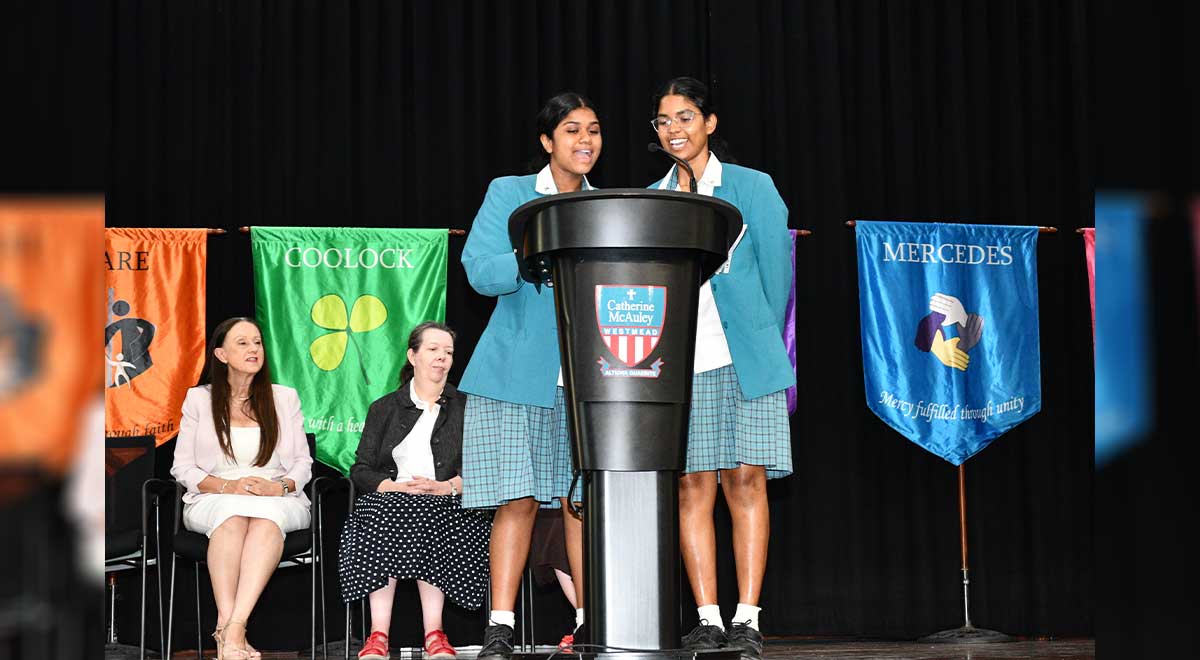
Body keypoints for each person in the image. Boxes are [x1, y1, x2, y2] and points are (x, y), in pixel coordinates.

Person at [647, 76, 794, 660]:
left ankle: (748, 618)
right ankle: (707, 617)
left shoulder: (751, 186)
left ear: (709, 123)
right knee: (690, 487)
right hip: (680, 361)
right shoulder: (655, 196)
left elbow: (778, 277)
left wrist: (757, 334)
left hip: (744, 356)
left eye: (685, 117)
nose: (674, 129)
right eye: (662, 121)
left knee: (747, 481)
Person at [458, 91, 602, 659]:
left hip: (589, 379)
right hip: (513, 374)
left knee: (578, 503)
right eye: (572, 130)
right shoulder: (510, 194)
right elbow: (478, 272)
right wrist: (525, 256)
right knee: (515, 500)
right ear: (547, 141)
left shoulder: (606, 204)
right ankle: (500, 625)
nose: (585, 140)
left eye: (593, 130)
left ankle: (591, 620)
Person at [338, 321, 490, 660]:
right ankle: (378, 635)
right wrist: (390, 486)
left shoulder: (468, 406)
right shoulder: (384, 407)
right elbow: (360, 469)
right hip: (389, 500)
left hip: (448, 504)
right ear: (413, 355)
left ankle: (435, 634)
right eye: (433, 350)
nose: (441, 358)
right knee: (385, 513)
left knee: (427, 516)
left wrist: (445, 487)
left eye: (448, 352)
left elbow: (482, 469)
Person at [171, 317, 313, 660]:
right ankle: (231, 630)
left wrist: (278, 486)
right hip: (214, 495)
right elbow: (183, 467)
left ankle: (232, 628)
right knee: (231, 517)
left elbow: (302, 464)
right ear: (221, 354)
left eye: (258, 342)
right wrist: (227, 485)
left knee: (265, 520)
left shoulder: (284, 398)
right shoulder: (198, 400)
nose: (254, 349)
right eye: (243, 343)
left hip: (277, 496)